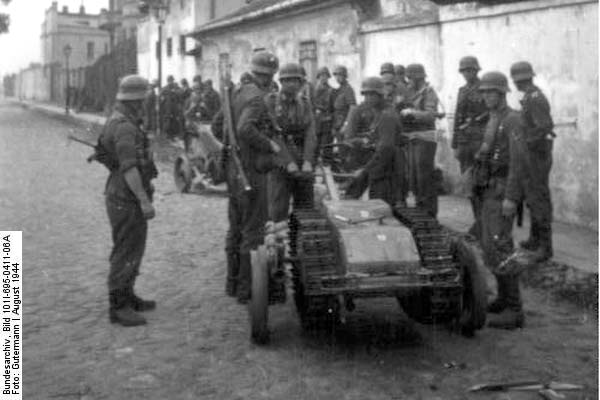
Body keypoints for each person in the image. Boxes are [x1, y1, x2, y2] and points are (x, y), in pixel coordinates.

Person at [212, 51, 284, 304]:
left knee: (236, 228)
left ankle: (232, 284)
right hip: (251, 172)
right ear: (267, 76)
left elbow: (218, 125)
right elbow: (244, 128)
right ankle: (248, 289)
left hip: (234, 170)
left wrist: (235, 149)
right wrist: (269, 145)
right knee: (253, 232)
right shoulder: (256, 97)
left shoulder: (236, 92)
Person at [98, 75, 158, 327]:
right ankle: (118, 306)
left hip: (123, 194)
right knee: (125, 250)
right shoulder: (124, 127)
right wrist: (144, 201)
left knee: (133, 248)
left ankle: (128, 294)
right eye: (144, 99)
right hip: (126, 197)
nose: (146, 103)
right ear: (136, 100)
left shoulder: (124, 120)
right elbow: (130, 169)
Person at [476, 71, 527, 329]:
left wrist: (511, 197)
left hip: (502, 192)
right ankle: (503, 298)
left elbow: (519, 163)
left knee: (502, 246)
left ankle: (515, 310)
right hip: (489, 191)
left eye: (491, 92)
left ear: (503, 93)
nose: (486, 96)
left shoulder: (513, 120)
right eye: (483, 92)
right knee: (489, 245)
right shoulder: (494, 118)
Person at [510, 61, 554, 262]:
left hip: (537, 156)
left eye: (519, 80)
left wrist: (525, 140)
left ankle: (545, 247)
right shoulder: (529, 96)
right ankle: (535, 239)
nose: (518, 84)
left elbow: (544, 127)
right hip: (532, 156)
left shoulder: (535, 98)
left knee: (539, 200)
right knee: (532, 198)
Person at [266, 62, 317, 224]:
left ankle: (300, 243)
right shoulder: (271, 102)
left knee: (306, 209)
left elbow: (311, 133)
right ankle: (277, 243)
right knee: (278, 208)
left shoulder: (304, 103)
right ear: (281, 82)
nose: (293, 84)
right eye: (288, 80)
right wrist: (288, 162)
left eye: (296, 80)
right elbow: (273, 134)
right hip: (279, 160)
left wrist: (308, 160)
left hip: (302, 159)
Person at [343, 77, 406, 205]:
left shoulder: (387, 115)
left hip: (387, 170)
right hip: (380, 167)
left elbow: (385, 149)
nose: (367, 99)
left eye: (371, 95)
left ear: (380, 95)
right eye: (365, 95)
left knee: (381, 208)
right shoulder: (379, 113)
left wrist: (365, 170)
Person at [453, 56, 488, 238]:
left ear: (476, 70)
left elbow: (489, 114)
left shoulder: (485, 89)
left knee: (480, 184)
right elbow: (458, 117)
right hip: (465, 144)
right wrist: (455, 143)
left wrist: (474, 122)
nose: (467, 73)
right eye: (464, 71)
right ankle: (478, 221)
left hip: (479, 142)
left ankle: (483, 223)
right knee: (469, 187)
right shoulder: (462, 90)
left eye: (470, 70)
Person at [400, 63, 440, 217]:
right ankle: (420, 206)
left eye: (411, 78)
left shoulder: (429, 92)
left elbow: (431, 114)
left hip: (425, 138)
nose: (409, 81)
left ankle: (429, 211)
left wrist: (412, 113)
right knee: (414, 176)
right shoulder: (411, 91)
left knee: (424, 176)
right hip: (412, 137)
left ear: (418, 78)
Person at [313, 66, 335, 164]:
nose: (323, 77)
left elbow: (334, 107)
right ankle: (314, 160)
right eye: (321, 75)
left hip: (327, 119)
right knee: (315, 141)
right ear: (318, 77)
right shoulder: (313, 89)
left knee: (327, 141)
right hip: (316, 119)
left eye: (325, 76)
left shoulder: (332, 90)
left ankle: (327, 161)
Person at [331, 65, 356, 141]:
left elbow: (352, 108)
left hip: (343, 126)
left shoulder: (348, 89)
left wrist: (346, 124)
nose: (337, 77)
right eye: (336, 75)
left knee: (345, 149)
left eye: (340, 75)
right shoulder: (339, 90)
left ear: (345, 76)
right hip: (338, 125)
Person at [160, 75, 182, 140]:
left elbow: (180, 96)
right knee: (167, 121)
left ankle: (173, 135)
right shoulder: (164, 88)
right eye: (170, 80)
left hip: (174, 108)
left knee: (174, 121)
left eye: (172, 80)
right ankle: (166, 134)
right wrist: (163, 101)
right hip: (167, 108)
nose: (171, 82)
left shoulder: (176, 88)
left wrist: (176, 92)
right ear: (168, 81)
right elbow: (160, 97)